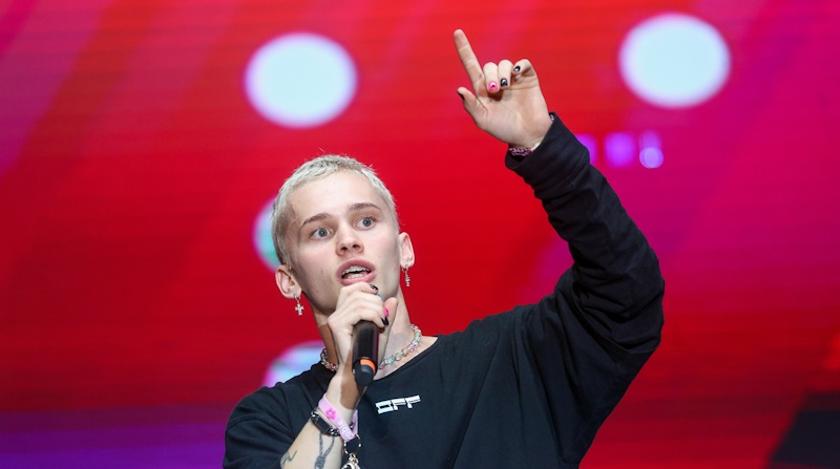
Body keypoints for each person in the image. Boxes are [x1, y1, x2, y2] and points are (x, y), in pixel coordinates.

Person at [224, 29, 665, 469]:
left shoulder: (510, 361)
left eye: (366, 221)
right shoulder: (269, 421)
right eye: (320, 232)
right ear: (288, 280)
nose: (348, 240)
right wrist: (345, 387)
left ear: (405, 250)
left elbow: (626, 292)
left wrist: (541, 147)